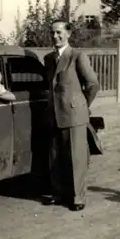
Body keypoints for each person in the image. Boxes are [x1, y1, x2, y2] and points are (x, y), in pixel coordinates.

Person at [42, 20, 100, 212]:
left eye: (59, 32)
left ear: (68, 34)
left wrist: (81, 105)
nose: (55, 36)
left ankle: (77, 197)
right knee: (55, 155)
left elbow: (92, 84)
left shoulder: (77, 56)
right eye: (52, 33)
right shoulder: (49, 59)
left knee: (75, 157)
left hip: (74, 114)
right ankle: (58, 193)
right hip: (54, 114)